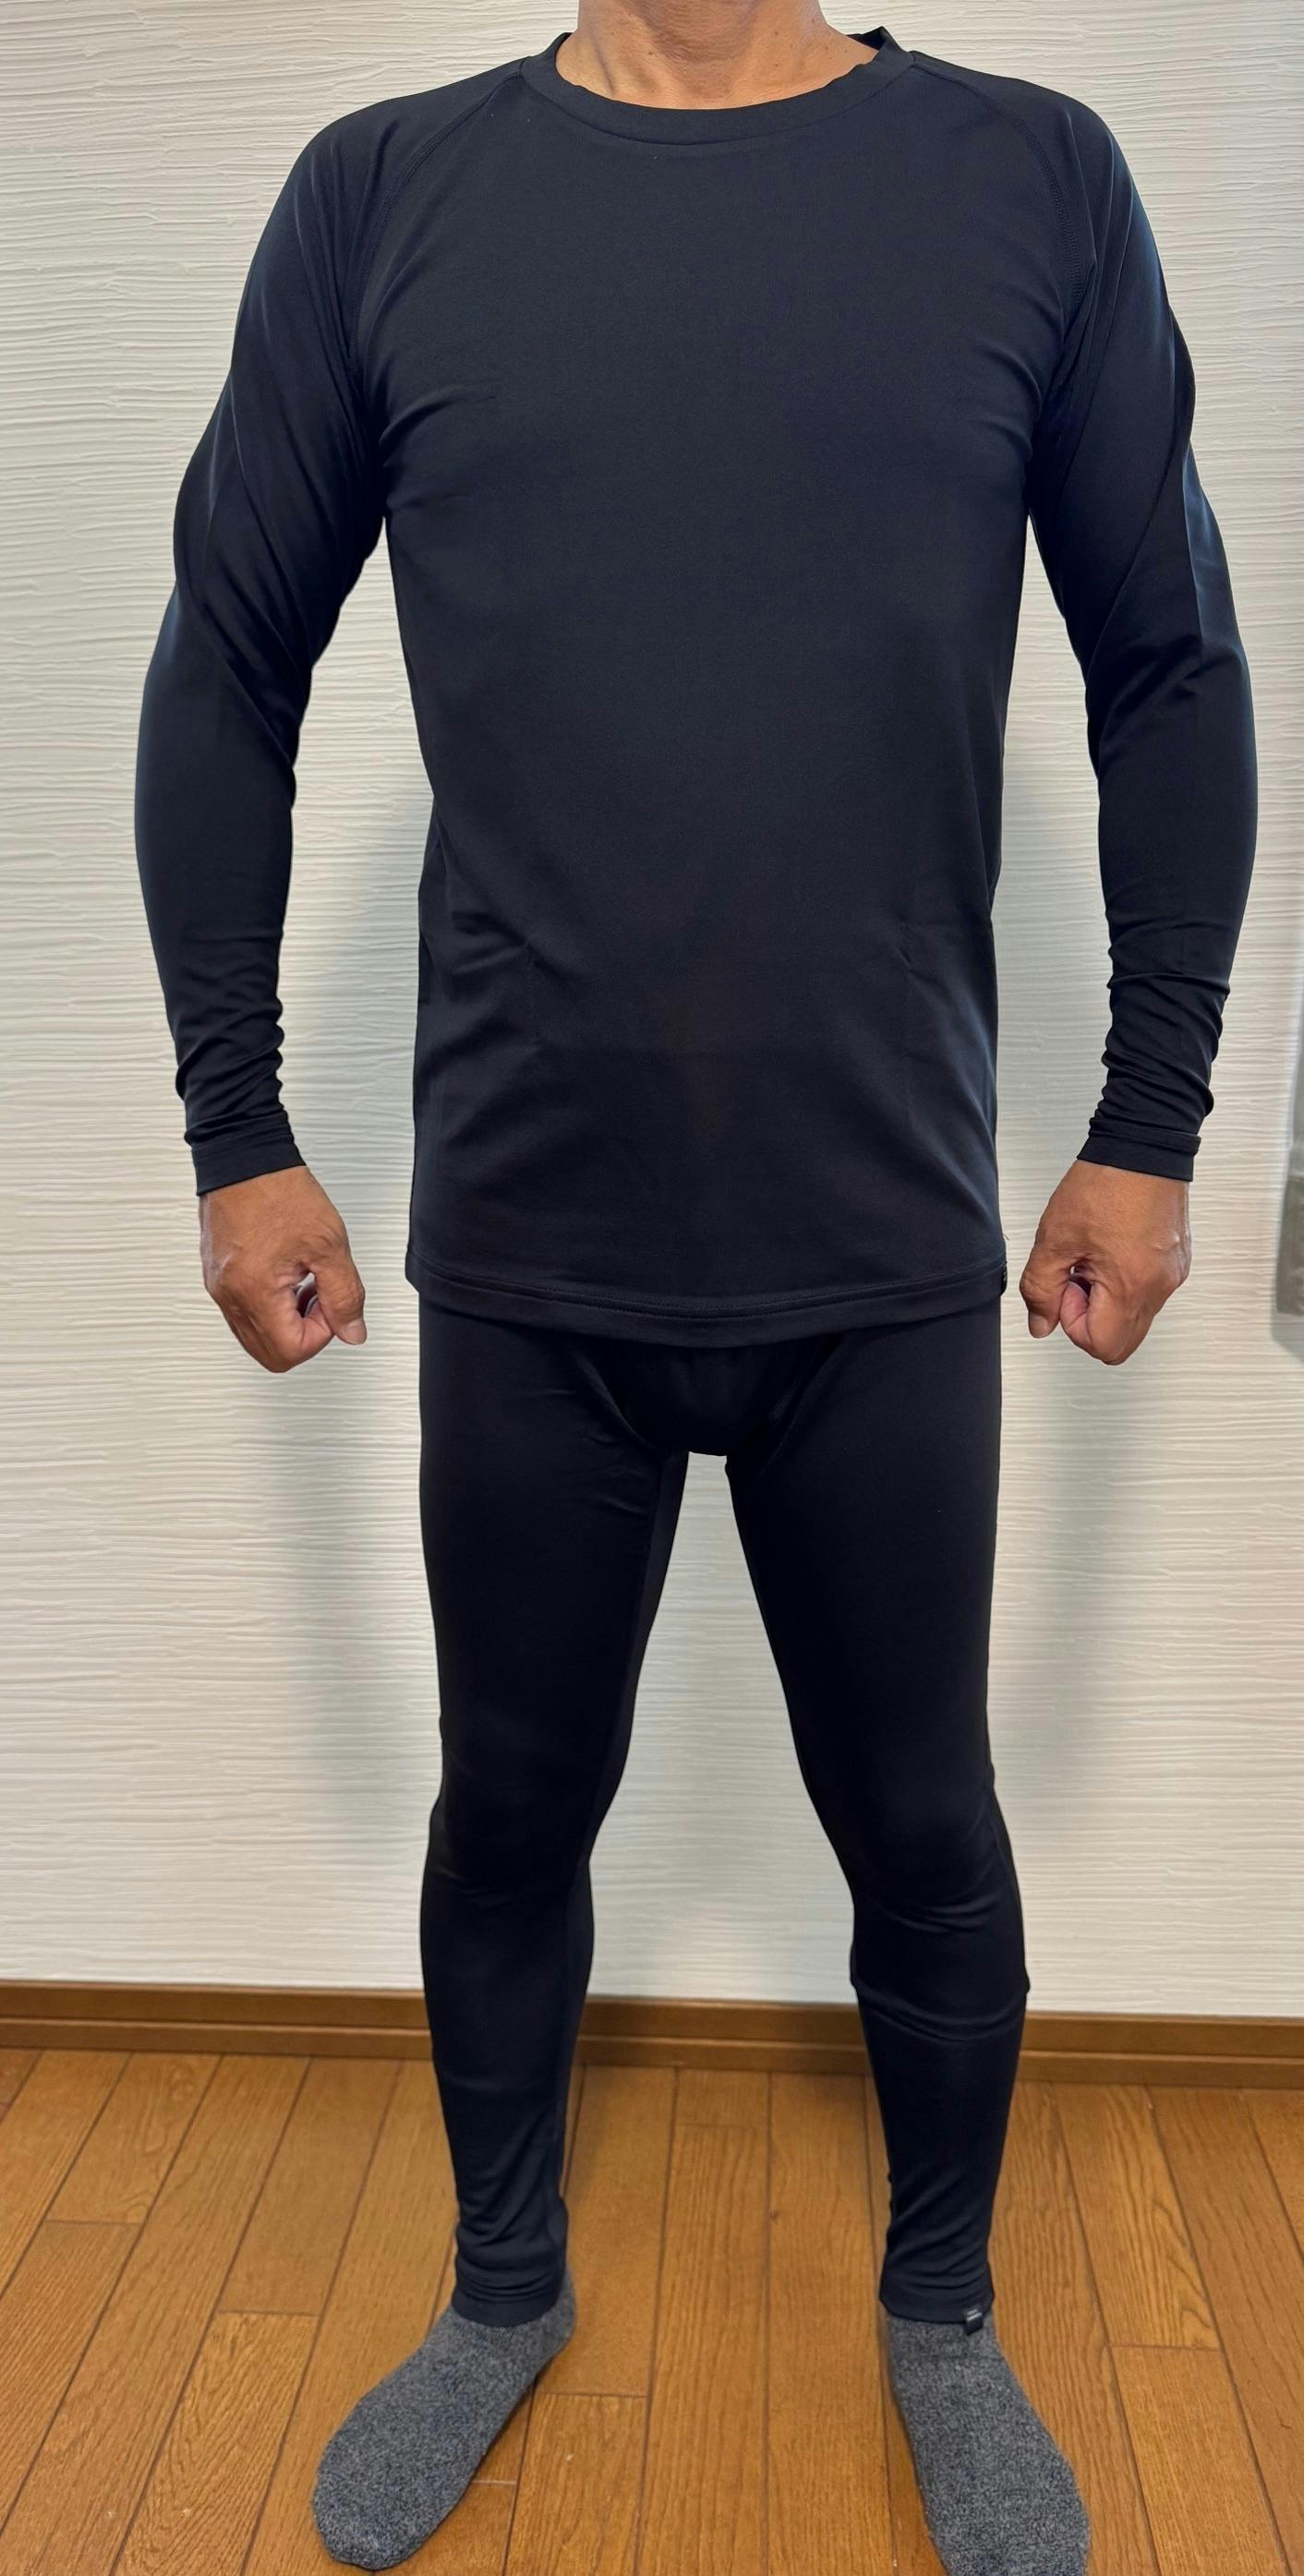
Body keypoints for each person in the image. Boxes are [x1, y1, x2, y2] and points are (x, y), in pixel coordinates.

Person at [134, 9, 1257, 2571]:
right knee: (512, 1803)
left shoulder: (1030, 181)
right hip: (534, 1244)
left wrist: (1148, 1119)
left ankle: (942, 2314)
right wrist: (235, 1129)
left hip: (881, 1240)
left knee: (922, 1818)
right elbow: (224, 659)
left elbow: (1169, 666)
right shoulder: (383, 197)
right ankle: (500, 2291)